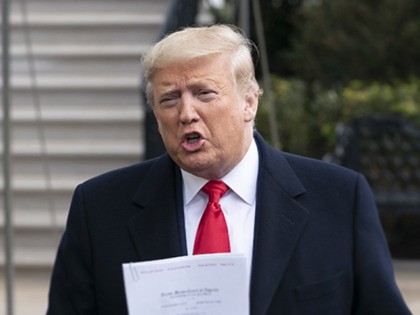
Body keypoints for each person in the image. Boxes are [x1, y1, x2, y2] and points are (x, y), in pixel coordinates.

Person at [47, 24, 411, 314]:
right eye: (169, 99)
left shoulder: (339, 199)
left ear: (249, 102)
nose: (186, 113)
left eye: (204, 93)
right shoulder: (99, 209)